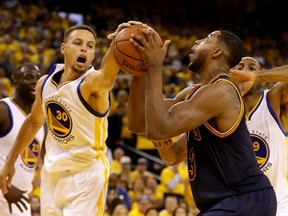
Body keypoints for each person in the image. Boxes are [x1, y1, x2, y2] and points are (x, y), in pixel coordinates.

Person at [0, 21, 145, 215]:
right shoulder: (45, 83)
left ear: (93, 55)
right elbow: (33, 122)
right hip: (52, 175)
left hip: (86, 175)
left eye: (90, 46)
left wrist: (118, 44)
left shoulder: (91, 84)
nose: (84, 48)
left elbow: (107, 78)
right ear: (64, 48)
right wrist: (9, 162)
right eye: (78, 43)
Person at [128, 29, 277, 215]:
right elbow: (138, 123)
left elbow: (159, 129)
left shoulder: (223, 92)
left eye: (207, 39)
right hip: (222, 203)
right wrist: (138, 69)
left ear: (217, 52)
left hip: (244, 199)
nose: (197, 40)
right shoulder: (193, 94)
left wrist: (154, 67)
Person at [230, 56, 288, 216]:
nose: (244, 72)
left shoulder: (272, 100)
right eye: (240, 68)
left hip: (279, 205)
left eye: (252, 68)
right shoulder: (223, 111)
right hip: (240, 206)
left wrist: (259, 75)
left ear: (263, 80)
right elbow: (173, 157)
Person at [0, 63, 45, 216]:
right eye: (28, 77)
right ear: (15, 83)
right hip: (3, 194)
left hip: (21, 198)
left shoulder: (40, 118)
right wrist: (4, 187)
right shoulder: (3, 110)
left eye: (38, 78)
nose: (35, 81)